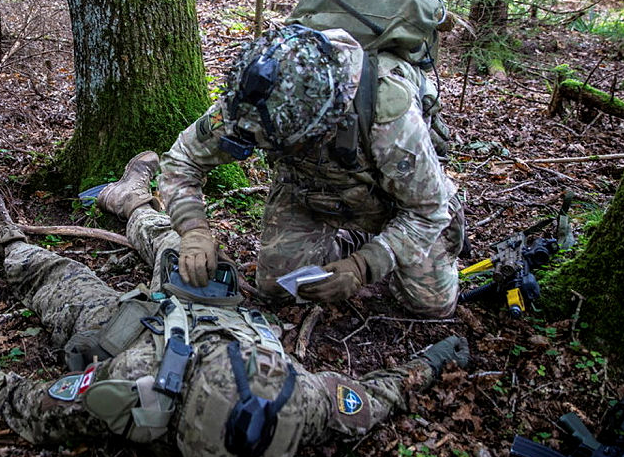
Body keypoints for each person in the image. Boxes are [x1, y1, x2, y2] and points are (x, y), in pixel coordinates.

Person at [0, 153, 470, 457]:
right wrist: (431, 362)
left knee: (61, 279)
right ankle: (131, 198)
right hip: (181, 320)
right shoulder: (303, 404)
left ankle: (9, 240)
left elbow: (40, 408)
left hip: (141, 325)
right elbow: (378, 397)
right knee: (170, 244)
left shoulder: (139, 389)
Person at [161, 22, 464, 318]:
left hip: (395, 204)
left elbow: (428, 210)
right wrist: (194, 230)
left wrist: (365, 265)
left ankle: (372, 243)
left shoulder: (389, 117)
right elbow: (183, 159)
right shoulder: (251, 100)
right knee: (277, 288)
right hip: (310, 191)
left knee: (431, 304)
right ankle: (351, 240)